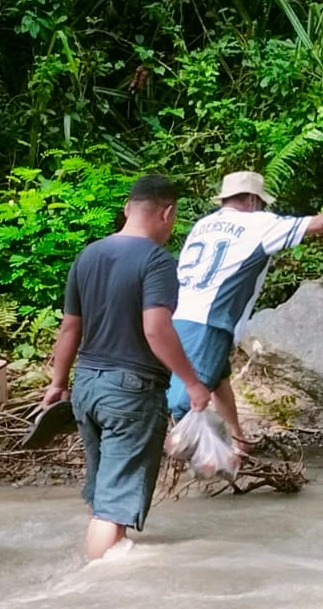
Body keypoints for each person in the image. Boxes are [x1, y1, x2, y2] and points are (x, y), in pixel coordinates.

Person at [40, 174, 212, 561]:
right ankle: (94, 591)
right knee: (113, 507)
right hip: (130, 393)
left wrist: (57, 382)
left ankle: (97, 570)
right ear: (167, 212)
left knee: (103, 495)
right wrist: (193, 383)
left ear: (126, 209)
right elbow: (156, 328)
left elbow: (70, 326)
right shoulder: (156, 260)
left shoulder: (89, 255)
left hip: (86, 387)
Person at [166, 170, 323, 445]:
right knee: (183, 404)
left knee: (218, 377)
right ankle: (178, 464)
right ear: (253, 201)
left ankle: (239, 441)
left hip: (181, 318)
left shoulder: (203, 226)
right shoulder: (259, 224)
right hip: (211, 323)